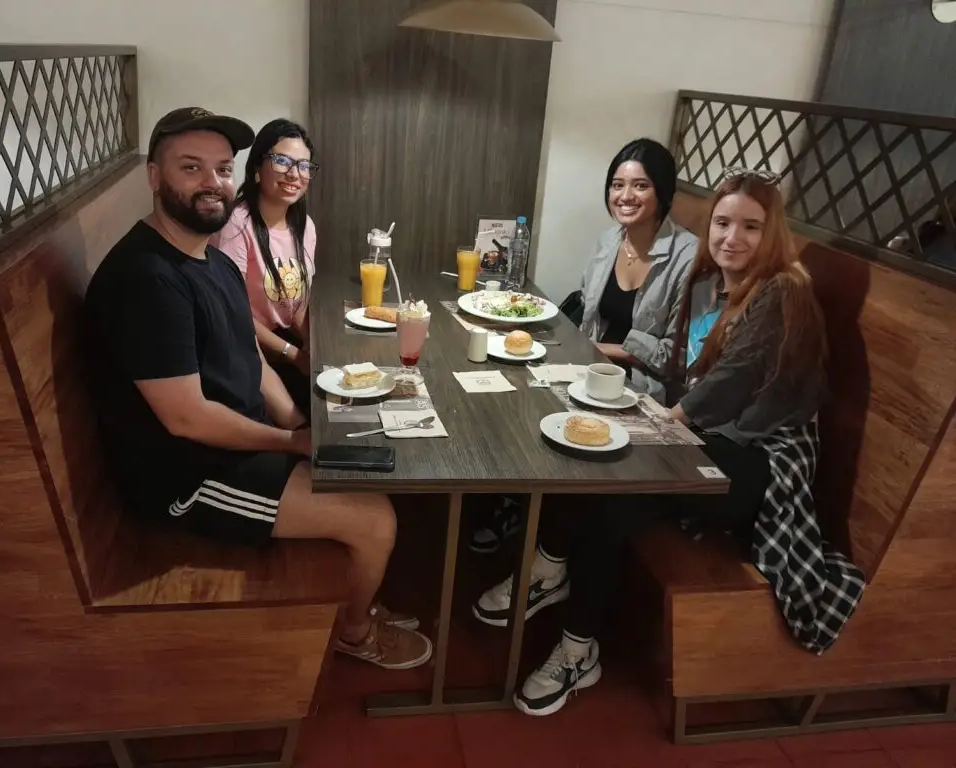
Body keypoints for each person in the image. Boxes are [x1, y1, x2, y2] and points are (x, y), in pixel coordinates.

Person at [476, 168, 865, 716]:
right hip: (704, 433)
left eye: (751, 227)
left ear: (772, 232)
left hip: (762, 458)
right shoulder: (710, 281)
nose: (733, 238)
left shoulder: (782, 292)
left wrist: (664, 425)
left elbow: (731, 383)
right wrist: (611, 361)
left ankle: (564, 618)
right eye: (723, 223)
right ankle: (565, 608)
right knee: (595, 468)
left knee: (617, 477)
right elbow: (680, 361)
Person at [85, 108, 432, 671]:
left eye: (222, 169)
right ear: (154, 175)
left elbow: (248, 358)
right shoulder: (146, 280)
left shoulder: (211, 261)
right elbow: (187, 420)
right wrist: (291, 445)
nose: (212, 183)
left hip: (239, 445)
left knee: (371, 456)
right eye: (190, 167)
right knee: (375, 518)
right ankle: (352, 630)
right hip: (189, 478)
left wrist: (298, 422)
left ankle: (356, 600)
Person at [469, 138, 698, 555]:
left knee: (542, 413)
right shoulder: (609, 241)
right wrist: (575, 346)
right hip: (589, 364)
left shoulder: (687, 256)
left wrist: (601, 349)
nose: (625, 196)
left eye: (640, 186)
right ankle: (512, 502)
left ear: (662, 192)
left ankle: (542, 544)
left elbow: (679, 356)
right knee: (507, 389)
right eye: (617, 184)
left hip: (641, 385)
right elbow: (589, 315)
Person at [213, 119, 317, 412]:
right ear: (258, 167)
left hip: (284, 347)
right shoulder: (236, 224)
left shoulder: (304, 226)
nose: (294, 174)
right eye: (282, 161)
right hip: (248, 352)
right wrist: (293, 355)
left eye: (304, 165)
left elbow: (295, 304)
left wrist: (312, 346)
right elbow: (233, 313)